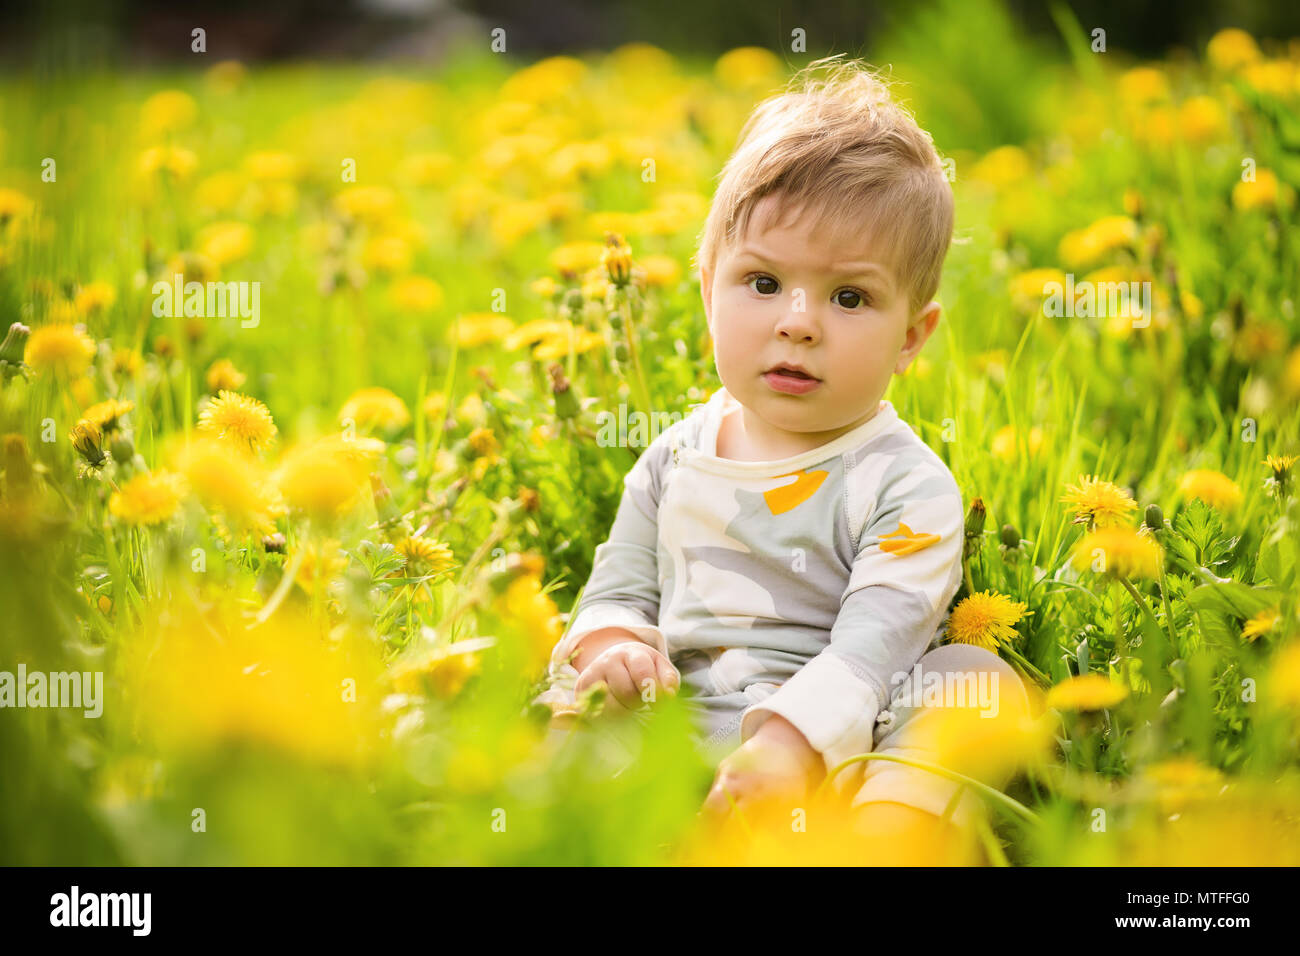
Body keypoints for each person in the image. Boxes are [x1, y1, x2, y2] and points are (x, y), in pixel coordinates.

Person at [534, 55, 1028, 847]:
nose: (798, 321)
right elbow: (618, 590)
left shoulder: (905, 486)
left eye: (848, 297)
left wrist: (789, 745)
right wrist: (616, 646)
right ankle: (597, 827)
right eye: (763, 283)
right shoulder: (672, 459)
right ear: (707, 289)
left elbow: (876, 648)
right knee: (571, 704)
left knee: (971, 683)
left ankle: (887, 839)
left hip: (842, 746)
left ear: (911, 336)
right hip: (678, 734)